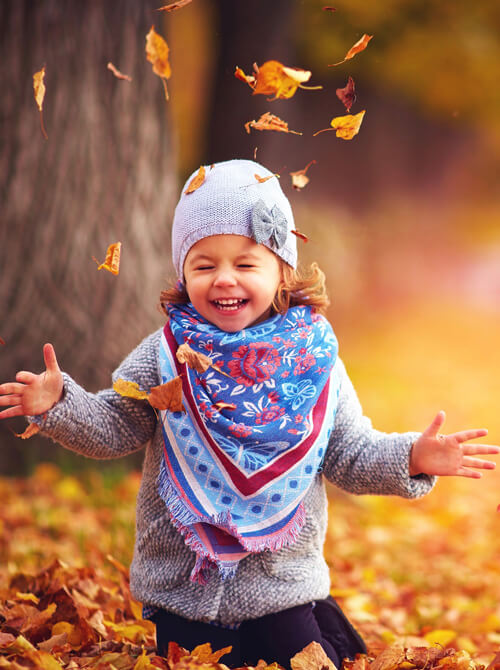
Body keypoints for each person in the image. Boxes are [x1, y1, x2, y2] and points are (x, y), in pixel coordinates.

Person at [0, 159, 498, 669]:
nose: (224, 279)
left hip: (279, 586)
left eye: (245, 263)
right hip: (183, 590)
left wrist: (413, 456)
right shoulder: (166, 354)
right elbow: (116, 426)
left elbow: (349, 452)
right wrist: (59, 404)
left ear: (281, 269)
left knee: (305, 659)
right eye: (203, 264)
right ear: (182, 273)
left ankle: (316, 623)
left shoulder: (314, 361)